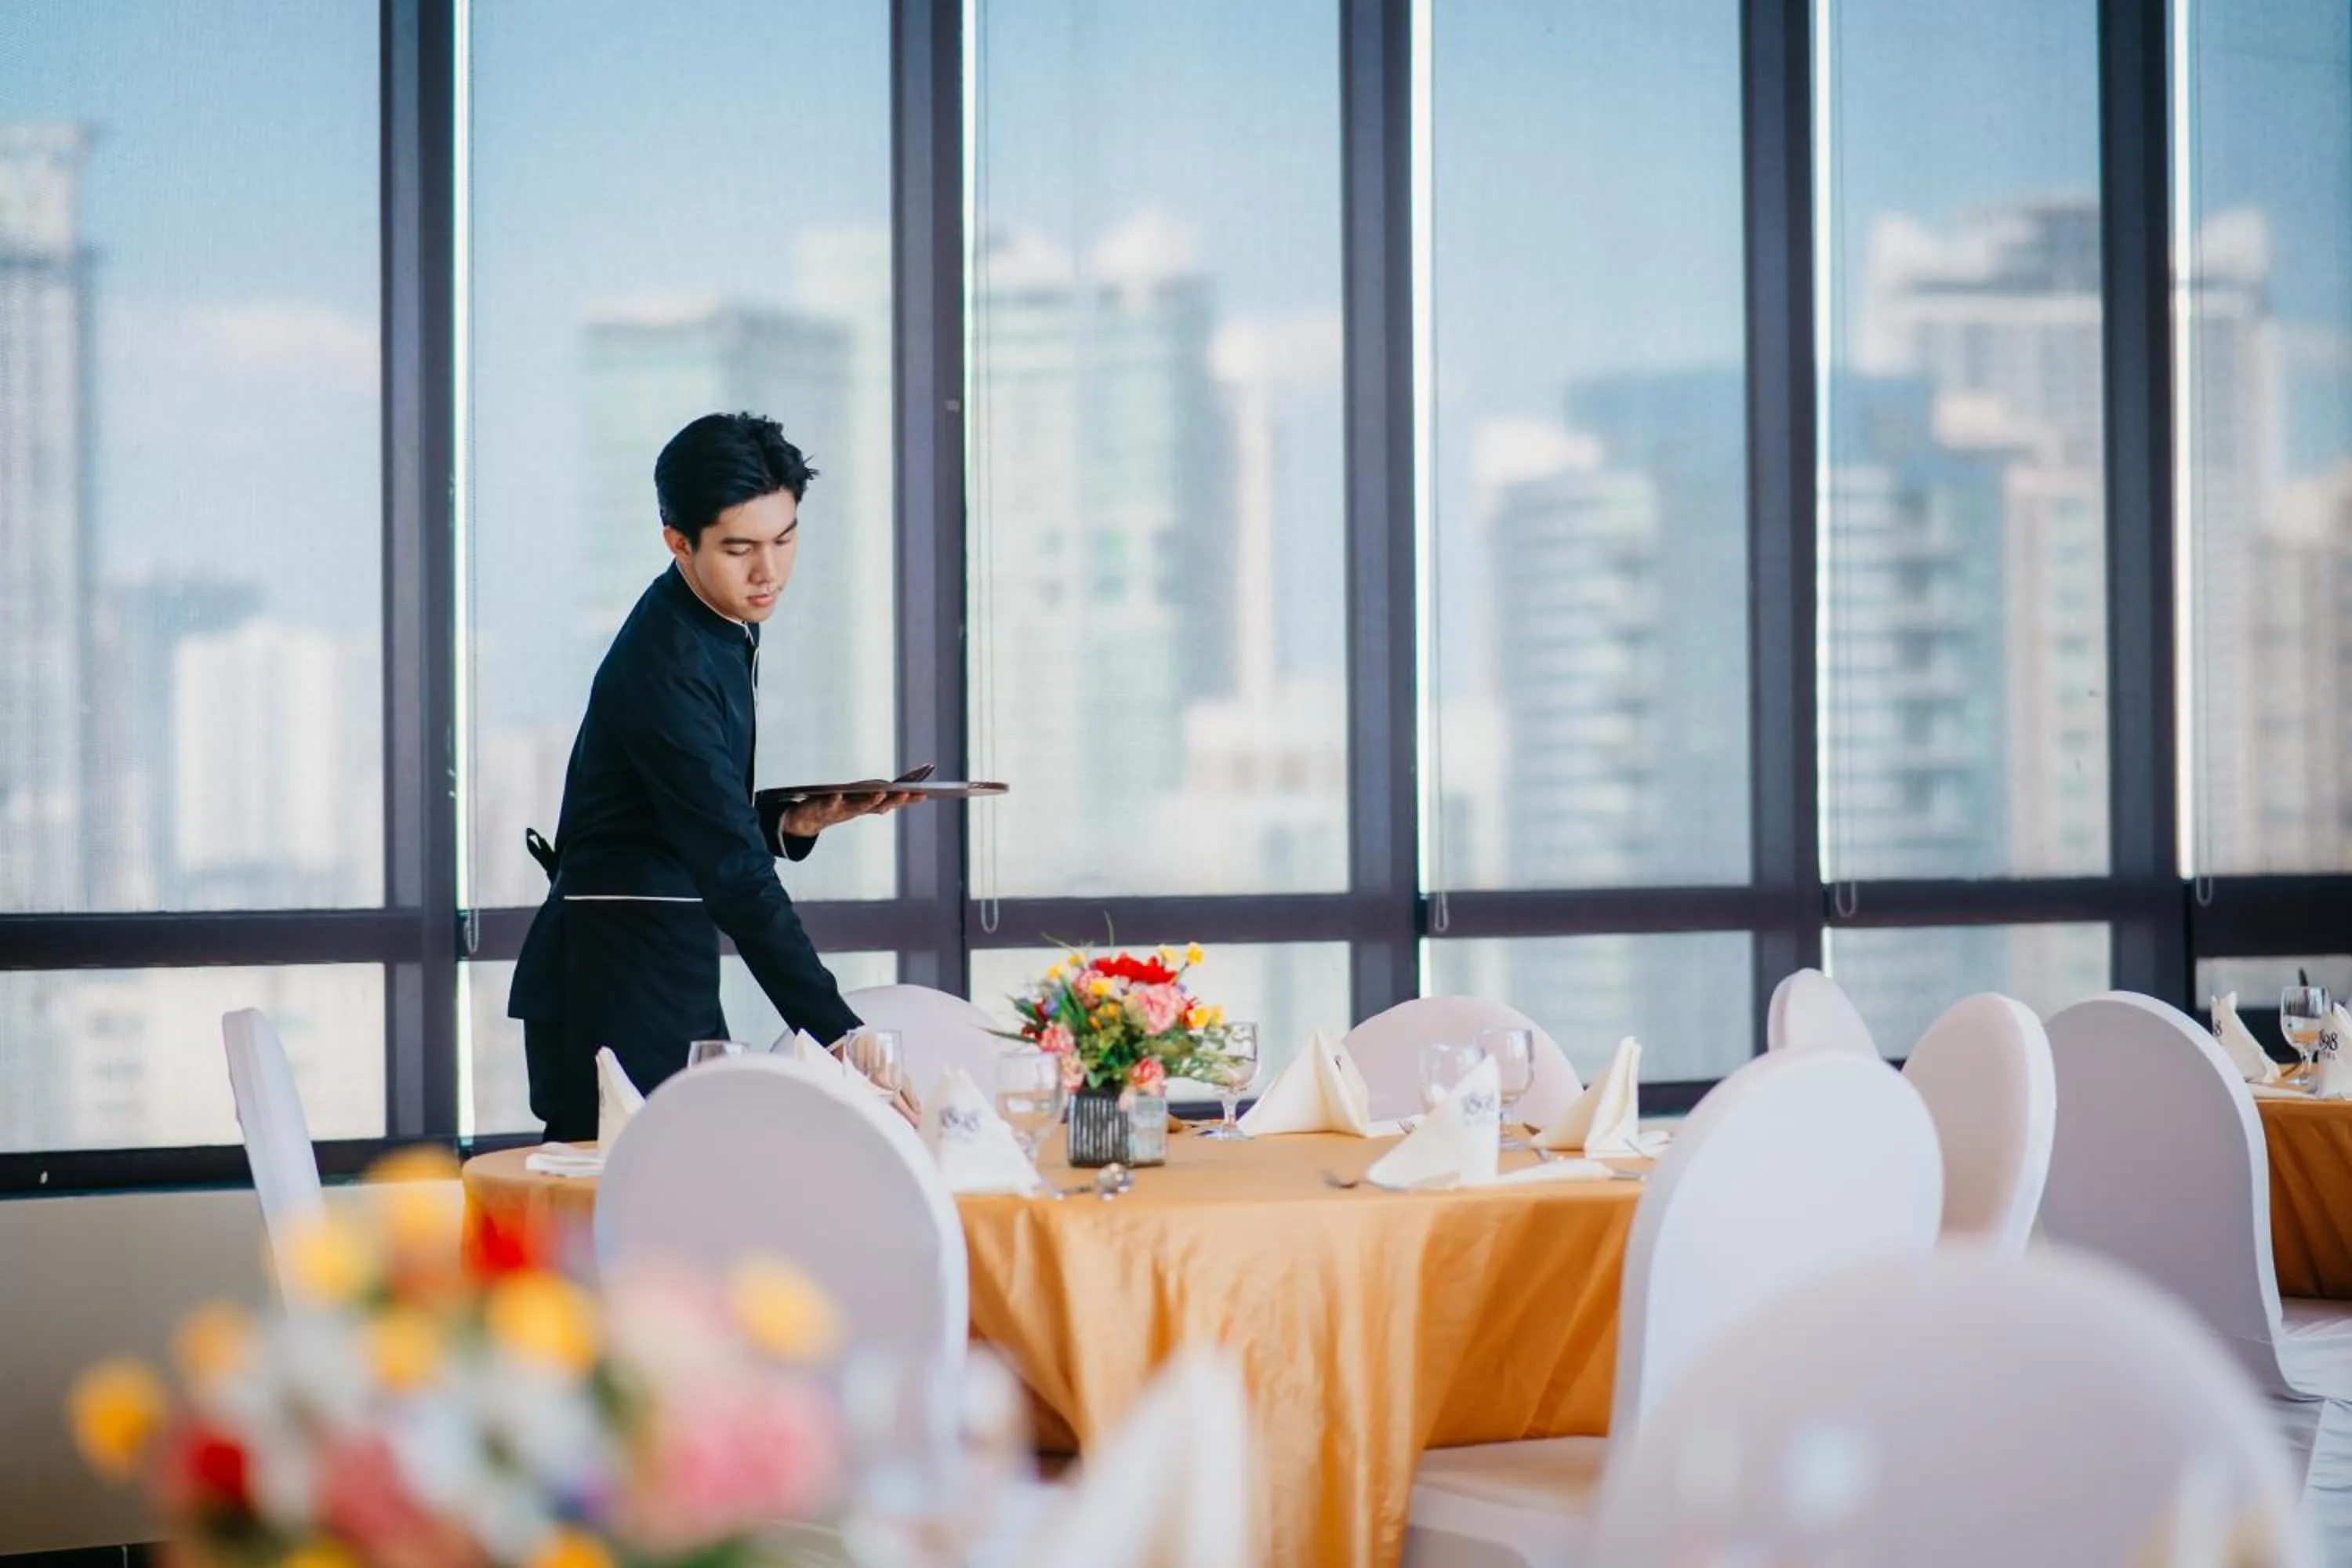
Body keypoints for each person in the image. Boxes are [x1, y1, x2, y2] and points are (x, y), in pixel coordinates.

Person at [508, 411, 912, 1142]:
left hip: (662, 957)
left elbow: (672, 817)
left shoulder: (718, 624)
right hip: (614, 984)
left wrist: (788, 823)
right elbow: (733, 874)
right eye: (740, 548)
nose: (769, 571)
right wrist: (840, 1035)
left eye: (785, 539)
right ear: (677, 542)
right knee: (633, 1232)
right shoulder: (669, 660)